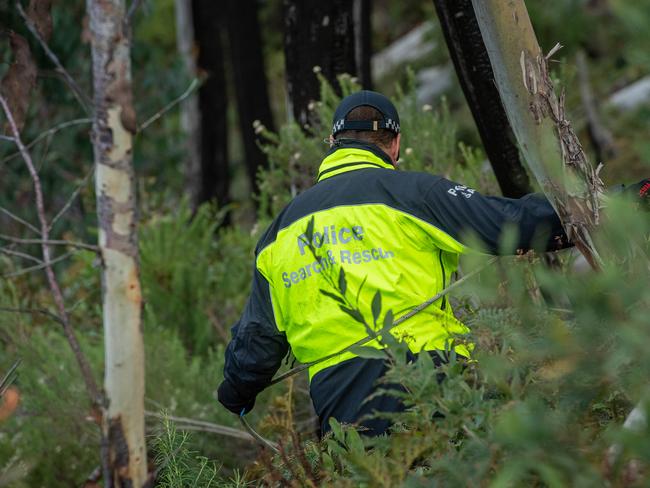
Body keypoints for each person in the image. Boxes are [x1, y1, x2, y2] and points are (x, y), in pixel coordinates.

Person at [217, 90, 649, 437]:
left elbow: (257, 342)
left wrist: (235, 392)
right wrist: (626, 202)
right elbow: (510, 224)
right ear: (396, 145)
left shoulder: (278, 233)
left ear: (332, 145)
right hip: (430, 382)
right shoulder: (412, 193)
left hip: (341, 408)